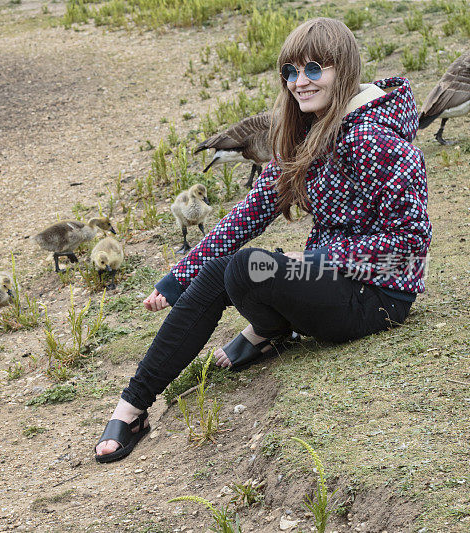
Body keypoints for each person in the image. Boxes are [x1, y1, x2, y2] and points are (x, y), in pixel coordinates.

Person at [94, 17, 432, 463]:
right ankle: (133, 405)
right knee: (225, 269)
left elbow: (412, 242)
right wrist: (180, 276)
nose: (300, 81)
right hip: (326, 281)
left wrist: (325, 258)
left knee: (245, 267)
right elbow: (248, 214)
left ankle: (271, 330)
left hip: (380, 295)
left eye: (315, 68)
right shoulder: (306, 131)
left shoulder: (375, 140)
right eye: (290, 71)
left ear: (343, 69)